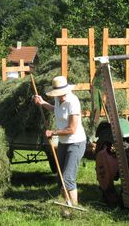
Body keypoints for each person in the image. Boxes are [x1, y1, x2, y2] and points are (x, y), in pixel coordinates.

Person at [34, 76, 86, 205]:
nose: (59, 96)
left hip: (76, 142)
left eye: (61, 94)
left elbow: (72, 129)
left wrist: (53, 132)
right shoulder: (58, 99)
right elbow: (56, 110)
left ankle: (74, 207)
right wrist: (43, 103)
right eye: (57, 94)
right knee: (61, 177)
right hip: (63, 142)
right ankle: (65, 203)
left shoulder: (73, 102)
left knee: (68, 178)